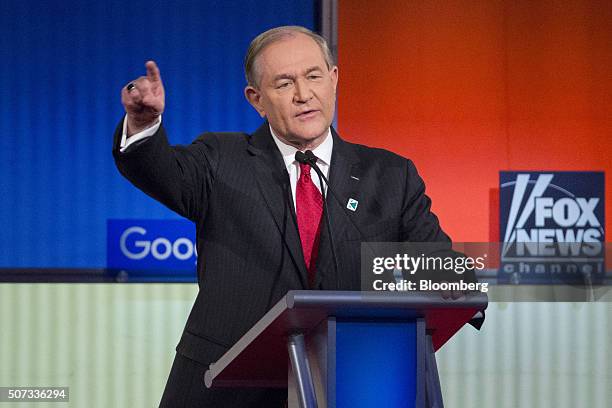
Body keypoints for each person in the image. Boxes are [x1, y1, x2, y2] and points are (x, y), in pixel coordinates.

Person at [114, 26, 457, 408]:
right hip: (228, 386)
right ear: (256, 99)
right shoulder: (220, 158)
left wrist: (454, 282)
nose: (303, 95)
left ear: (334, 79)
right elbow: (160, 170)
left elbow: (440, 270)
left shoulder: (391, 175)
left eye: (313, 76)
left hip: (355, 381)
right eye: (284, 83)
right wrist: (144, 126)